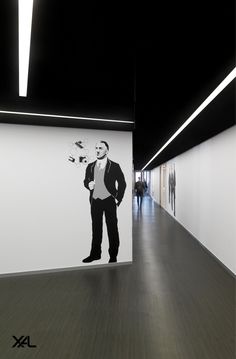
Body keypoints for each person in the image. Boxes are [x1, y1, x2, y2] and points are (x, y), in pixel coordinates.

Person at [83, 141, 126, 263]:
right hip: (95, 201)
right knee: (96, 229)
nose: (97, 150)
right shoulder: (90, 166)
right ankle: (95, 254)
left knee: (112, 229)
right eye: (96, 148)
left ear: (106, 151)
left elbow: (122, 183)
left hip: (109, 201)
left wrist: (118, 199)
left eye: (100, 148)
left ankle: (113, 255)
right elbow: (85, 180)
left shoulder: (115, 166)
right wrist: (88, 184)